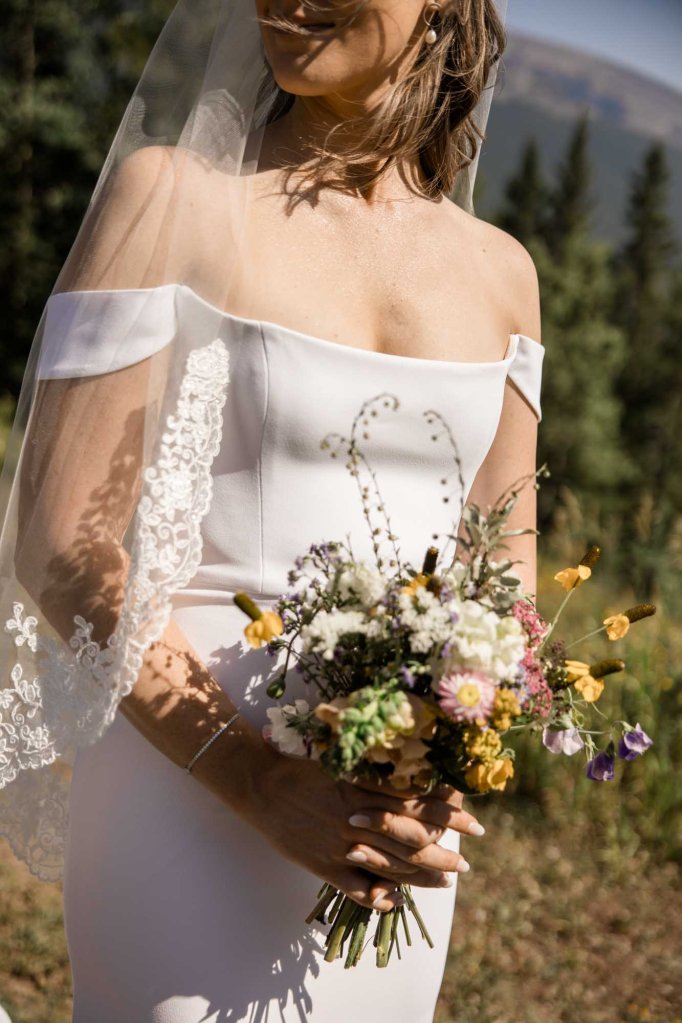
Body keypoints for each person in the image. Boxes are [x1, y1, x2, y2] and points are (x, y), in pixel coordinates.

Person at [0, 0, 543, 1019]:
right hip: (183, 780)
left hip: (387, 814)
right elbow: (61, 548)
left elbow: (504, 562)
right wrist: (257, 782)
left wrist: (453, 741)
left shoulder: (504, 274)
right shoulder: (172, 199)